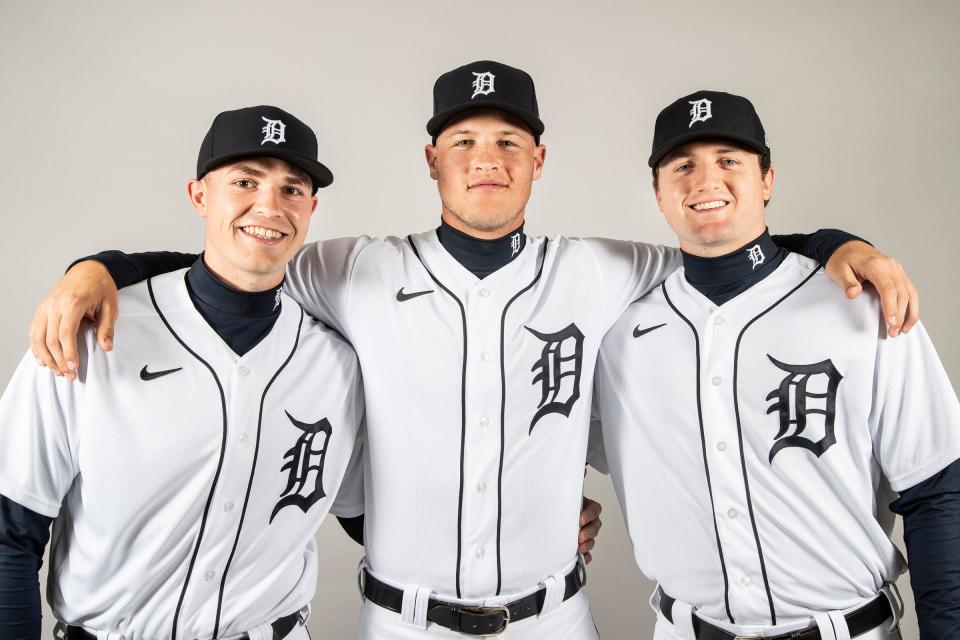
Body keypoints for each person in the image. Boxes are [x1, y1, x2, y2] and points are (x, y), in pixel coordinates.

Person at [27, 62, 918, 639]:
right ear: (431, 160)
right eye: (462, 141)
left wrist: (843, 245)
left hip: (555, 619)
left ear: (538, 156)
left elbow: (729, 246)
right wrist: (99, 268)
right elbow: (235, 261)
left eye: (504, 141)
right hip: (399, 622)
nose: (484, 159)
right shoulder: (349, 271)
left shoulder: (607, 269)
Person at [592, 90, 960, 640]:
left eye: (729, 161)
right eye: (683, 165)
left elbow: (938, 489)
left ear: (767, 180)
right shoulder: (618, 329)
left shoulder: (860, 300)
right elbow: (541, 444)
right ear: (659, 193)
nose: (705, 180)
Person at [0, 106, 368, 639]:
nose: (269, 205)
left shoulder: (337, 362)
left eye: (292, 189)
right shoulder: (89, 332)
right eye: (245, 181)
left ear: (311, 208)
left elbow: (373, 519)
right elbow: (10, 533)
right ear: (199, 195)